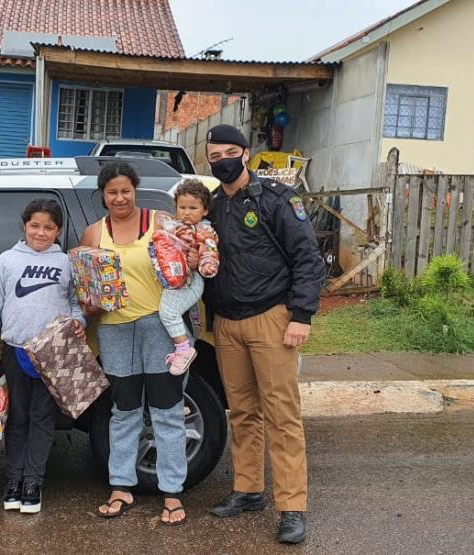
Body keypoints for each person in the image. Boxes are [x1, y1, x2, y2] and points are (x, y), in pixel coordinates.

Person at [201, 124, 325, 544]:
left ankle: (292, 507)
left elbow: (308, 258)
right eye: (214, 156)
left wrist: (301, 315)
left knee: (282, 416)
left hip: (272, 318)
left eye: (228, 153)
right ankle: (249, 489)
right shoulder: (213, 206)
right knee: (242, 413)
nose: (222, 162)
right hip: (227, 326)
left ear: (246, 153)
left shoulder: (275, 199)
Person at [80, 162, 194, 526]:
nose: (119, 198)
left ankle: (172, 492)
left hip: (160, 326)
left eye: (125, 190)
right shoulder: (93, 234)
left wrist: (192, 259)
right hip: (114, 330)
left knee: (167, 411)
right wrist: (91, 304)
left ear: (135, 190)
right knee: (124, 412)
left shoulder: (160, 222)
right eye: (112, 192)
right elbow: (86, 294)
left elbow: (184, 265)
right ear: (103, 195)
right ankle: (121, 486)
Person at [0, 198, 85, 514]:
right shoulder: (5, 261)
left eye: (49, 227)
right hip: (15, 351)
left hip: (54, 353)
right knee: (18, 418)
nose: (41, 233)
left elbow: (77, 303)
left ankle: (33, 482)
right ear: (24, 225)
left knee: (42, 419)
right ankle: (13, 480)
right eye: (35, 226)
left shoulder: (67, 263)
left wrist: (79, 322)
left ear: (58, 231)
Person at [156, 178, 220, 375]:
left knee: (167, 311)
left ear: (205, 210)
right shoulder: (173, 226)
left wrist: (206, 265)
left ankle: (184, 349)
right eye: (182, 207)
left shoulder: (205, 231)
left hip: (190, 280)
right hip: (176, 278)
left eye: (193, 208)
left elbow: (210, 251)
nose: (186, 212)